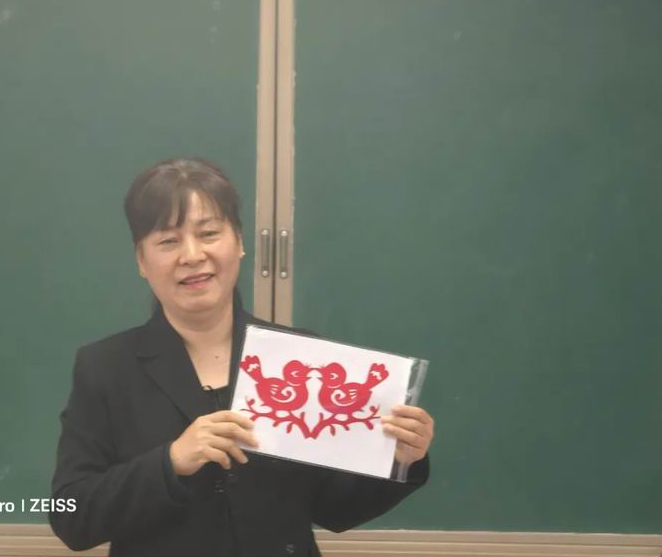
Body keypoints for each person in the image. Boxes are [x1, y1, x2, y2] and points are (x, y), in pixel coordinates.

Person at [49, 158, 434, 557]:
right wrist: (171, 461)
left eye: (209, 233)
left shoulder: (298, 361)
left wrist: (399, 459)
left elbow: (334, 508)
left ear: (240, 242)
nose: (192, 255)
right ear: (141, 261)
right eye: (168, 241)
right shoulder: (106, 368)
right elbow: (71, 515)